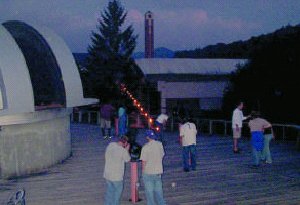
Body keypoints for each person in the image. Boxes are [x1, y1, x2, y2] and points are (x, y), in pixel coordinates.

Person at [140, 130, 166, 205]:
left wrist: (143, 172)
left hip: (148, 172)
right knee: (159, 192)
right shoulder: (160, 144)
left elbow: (143, 162)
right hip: (158, 171)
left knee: (149, 193)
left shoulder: (145, 147)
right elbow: (162, 155)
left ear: (147, 137)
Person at [103, 137, 131, 205]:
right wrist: (127, 150)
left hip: (107, 174)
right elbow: (128, 159)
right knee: (117, 195)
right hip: (117, 177)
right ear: (125, 143)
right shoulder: (123, 151)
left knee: (109, 192)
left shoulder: (110, 145)